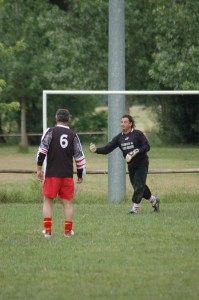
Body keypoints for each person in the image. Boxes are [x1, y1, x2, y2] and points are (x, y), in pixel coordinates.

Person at [89, 114, 160, 214]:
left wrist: (137, 151)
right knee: (138, 186)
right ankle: (154, 200)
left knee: (138, 185)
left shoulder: (137, 134)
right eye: (121, 122)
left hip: (142, 163)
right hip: (131, 165)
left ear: (130, 124)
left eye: (125, 122)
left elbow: (147, 146)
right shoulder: (119, 138)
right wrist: (96, 150)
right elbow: (107, 149)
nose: (122, 124)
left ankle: (135, 208)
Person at [36, 109, 86, 237]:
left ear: (56, 119)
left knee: (48, 201)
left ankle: (48, 231)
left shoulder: (50, 131)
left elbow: (42, 151)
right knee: (67, 203)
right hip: (67, 174)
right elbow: (79, 157)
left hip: (52, 173)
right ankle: (68, 232)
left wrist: (39, 169)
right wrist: (80, 174)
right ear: (68, 120)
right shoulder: (73, 135)